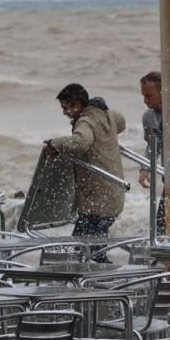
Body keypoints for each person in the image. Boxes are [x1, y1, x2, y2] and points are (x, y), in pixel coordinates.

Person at [47, 83, 127, 244]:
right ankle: (100, 263)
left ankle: (98, 267)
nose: (64, 112)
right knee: (91, 243)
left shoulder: (85, 122)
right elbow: (122, 123)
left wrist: (54, 144)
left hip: (97, 200)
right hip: (113, 194)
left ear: (77, 104)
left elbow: (81, 142)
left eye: (65, 107)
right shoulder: (109, 115)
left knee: (83, 247)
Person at [137, 71, 166, 236]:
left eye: (149, 96)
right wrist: (144, 169)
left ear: (163, 92)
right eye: (143, 96)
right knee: (161, 228)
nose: (145, 101)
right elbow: (152, 147)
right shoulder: (148, 117)